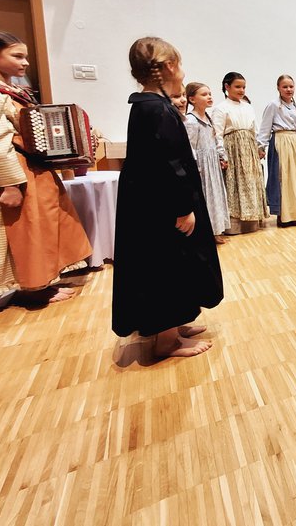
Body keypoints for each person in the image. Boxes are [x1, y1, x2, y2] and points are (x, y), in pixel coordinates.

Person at [113, 37, 223, 358]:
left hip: (154, 204)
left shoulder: (151, 105)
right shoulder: (156, 109)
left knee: (178, 263)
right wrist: (183, 207)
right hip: (165, 208)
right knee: (170, 264)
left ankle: (175, 324)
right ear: (170, 66)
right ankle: (167, 340)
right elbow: (169, 164)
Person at [0, 29, 91, 304]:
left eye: (25, 57)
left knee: (43, 223)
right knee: (26, 227)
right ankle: (33, 286)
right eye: (17, 56)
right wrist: (10, 184)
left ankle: (45, 279)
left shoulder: (12, 91)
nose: (25, 63)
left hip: (32, 166)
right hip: (17, 169)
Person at [211, 72, 267, 234]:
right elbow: (218, 134)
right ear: (227, 87)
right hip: (233, 149)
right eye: (237, 87)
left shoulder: (247, 106)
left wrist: (259, 147)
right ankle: (233, 226)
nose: (241, 90)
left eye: (243, 87)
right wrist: (222, 155)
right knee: (234, 184)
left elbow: (254, 130)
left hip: (248, 149)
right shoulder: (221, 108)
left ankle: (251, 222)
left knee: (250, 182)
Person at [259, 75, 296, 228]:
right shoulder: (273, 106)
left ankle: (293, 213)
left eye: (291, 86)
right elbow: (265, 128)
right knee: (282, 179)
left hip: (293, 143)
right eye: (285, 87)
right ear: (278, 88)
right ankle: (282, 216)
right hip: (280, 142)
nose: (289, 90)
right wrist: (260, 147)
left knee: (294, 180)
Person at [184, 82, 229, 244]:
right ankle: (205, 232)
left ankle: (216, 230)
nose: (209, 97)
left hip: (212, 164)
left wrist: (220, 156)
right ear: (192, 99)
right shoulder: (191, 120)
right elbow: (190, 147)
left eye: (210, 93)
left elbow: (215, 140)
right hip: (202, 165)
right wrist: (197, 167)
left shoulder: (208, 119)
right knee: (206, 197)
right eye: (204, 94)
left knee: (215, 196)